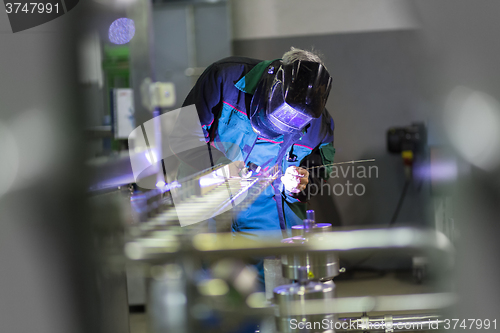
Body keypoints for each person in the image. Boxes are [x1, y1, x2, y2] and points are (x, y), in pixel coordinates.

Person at [181, 47, 335, 285]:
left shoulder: (318, 124)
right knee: (215, 298)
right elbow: (182, 138)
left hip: (273, 225)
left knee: (280, 300)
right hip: (215, 212)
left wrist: (301, 183)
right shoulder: (224, 79)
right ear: (273, 84)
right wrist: (221, 169)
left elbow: (318, 170)